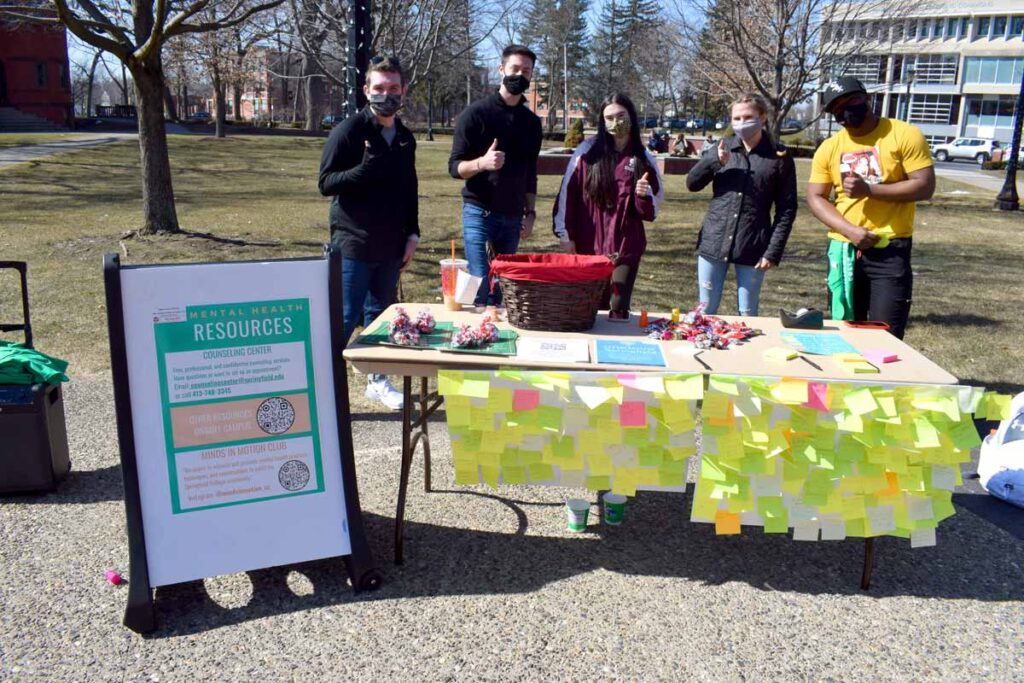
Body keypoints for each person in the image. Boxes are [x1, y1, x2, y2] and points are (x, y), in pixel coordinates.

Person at [318, 56, 418, 410]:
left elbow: (409, 187)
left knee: (382, 315)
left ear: (403, 90)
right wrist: (363, 170)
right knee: (344, 318)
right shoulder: (348, 132)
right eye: (378, 88)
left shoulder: (405, 137)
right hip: (353, 241)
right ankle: (323, 387)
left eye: (393, 88)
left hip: (390, 243)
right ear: (366, 90)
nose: (386, 95)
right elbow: (326, 183)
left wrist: (413, 234)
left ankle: (378, 381)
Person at [807, 76, 935, 339]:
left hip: (890, 250)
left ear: (866, 98)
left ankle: (884, 379)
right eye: (836, 108)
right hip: (843, 251)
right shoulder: (829, 148)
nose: (845, 110)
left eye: (851, 100)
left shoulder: (903, 134)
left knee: (885, 335)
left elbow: (925, 186)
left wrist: (870, 190)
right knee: (845, 331)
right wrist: (849, 230)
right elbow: (816, 197)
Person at [552, 93, 663, 321]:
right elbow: (567, 193)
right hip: (588, 246)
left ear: (631, 116)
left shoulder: (643, 157)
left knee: (617, 309)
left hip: (625, 247)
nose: (616, 122)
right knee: (590, 308)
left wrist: (644, 196)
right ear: (602, 122)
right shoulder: (587, 151)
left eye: (620, 115)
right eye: (609, 117)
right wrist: (565, 234)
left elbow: (651, 212)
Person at [448, 45, 543, 309]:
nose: (520, 75)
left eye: (526, 71)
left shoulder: (532, 123)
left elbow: (530, 173)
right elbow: (454, 168)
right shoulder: (475, 114)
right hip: (480, 212)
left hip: (513, 217)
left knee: (502, 285)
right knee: (482, 282)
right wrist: (482, 163)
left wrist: (531, 212)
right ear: (501, 69)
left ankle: (496, 339)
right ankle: (477, 337)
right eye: (515, 68)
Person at [685, 93, 797, 316]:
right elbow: (692, 184)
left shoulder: (779, 157)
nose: (741, 123)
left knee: (748, 313)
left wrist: (773, 251)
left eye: (748, 117)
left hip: (753, 244)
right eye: (736, 118)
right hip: (714, 240)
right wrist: (714, 161)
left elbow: (787, 209)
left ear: (763, 117)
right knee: (706, 311)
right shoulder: (722, 148)